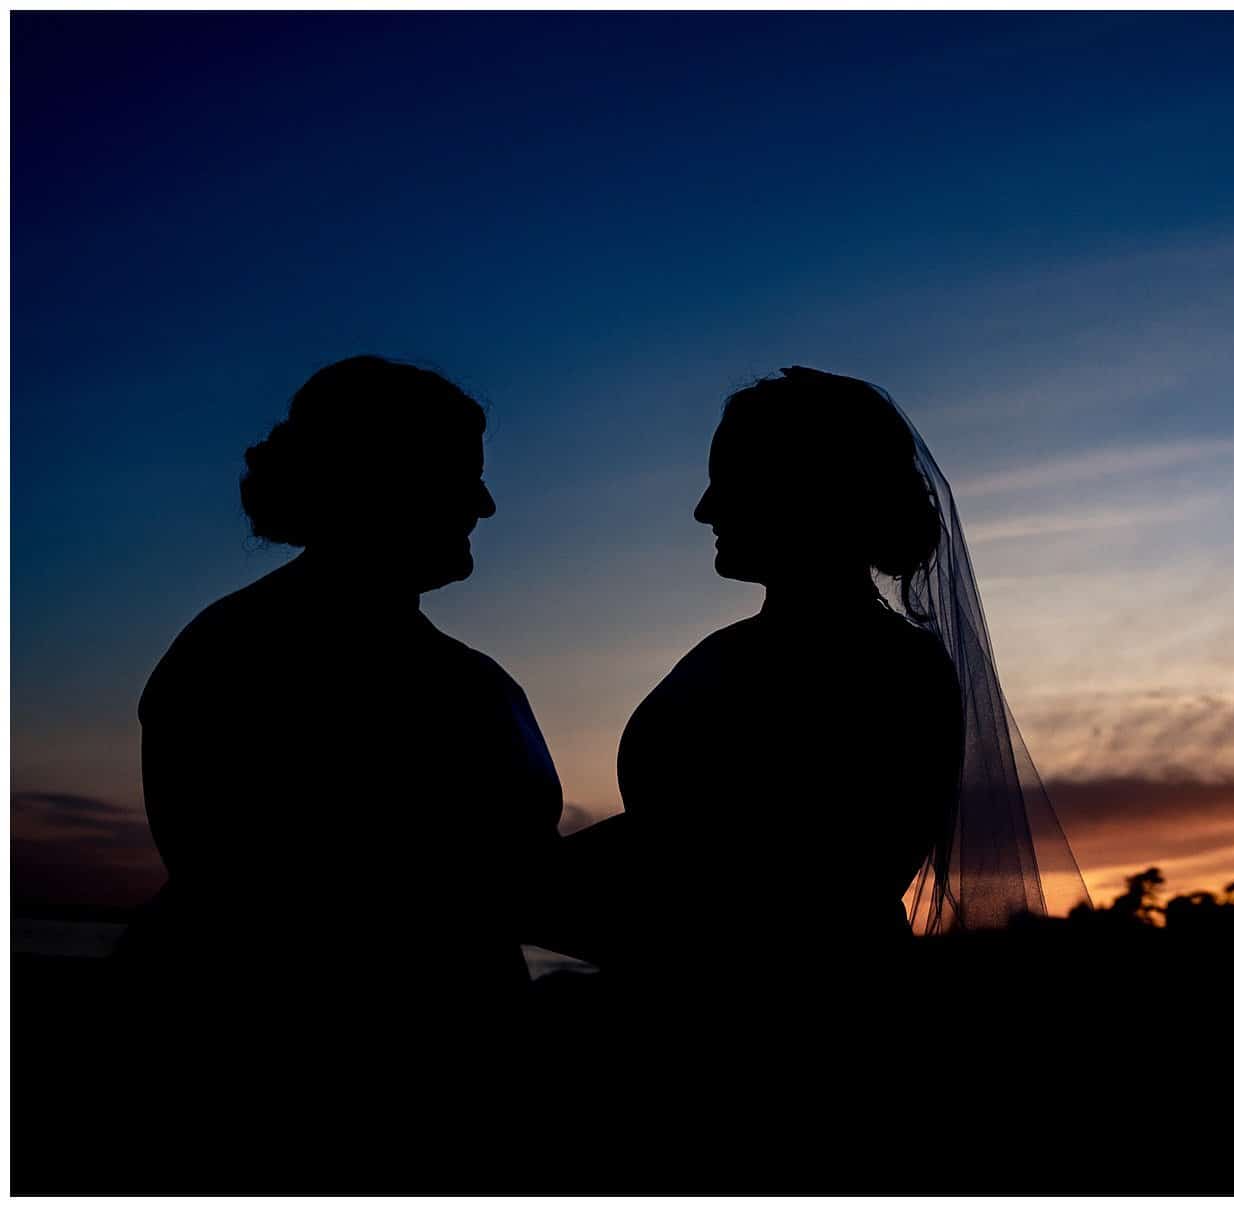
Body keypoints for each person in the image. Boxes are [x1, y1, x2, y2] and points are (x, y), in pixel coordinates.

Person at [549, 366, 1085, 971]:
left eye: (729, 482)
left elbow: (780, 882)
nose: (704, 510)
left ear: (806, 489)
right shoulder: (731, 652)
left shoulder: (889, 668)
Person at [123, 356, 563, 1029]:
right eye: (460, 477)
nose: (485, 503)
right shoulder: (241, 655)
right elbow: (292, 904)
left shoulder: (469, 676)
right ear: (375, 483)